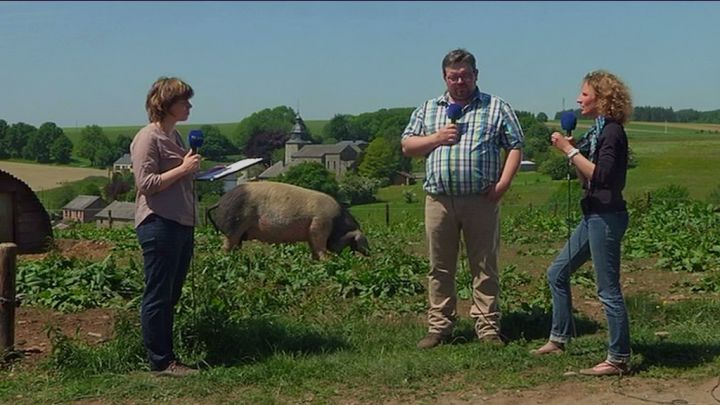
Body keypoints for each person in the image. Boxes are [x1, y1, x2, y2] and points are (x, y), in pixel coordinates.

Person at [401, 48, 524, 349]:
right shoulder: (428, 109)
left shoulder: (495, 107)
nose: (460, 82)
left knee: (484, 265)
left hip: (481, 200)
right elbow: (407, 145)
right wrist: (436, 139)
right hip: (439, 200)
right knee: (439, 266)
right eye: (453, 77)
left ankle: (487, 327)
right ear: (444, 77)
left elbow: (516, 145)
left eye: (465, 76)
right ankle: (439, 327)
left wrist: (503, 184)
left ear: (476, 75)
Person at [531, 70, 633, 376]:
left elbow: (602, 177)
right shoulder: (598, 131)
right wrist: (575, 155)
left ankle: (618, 358)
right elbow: (588, 179)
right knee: (557, 273)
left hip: (606, 217)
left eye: (585, 94)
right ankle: (559, 338)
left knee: (607, 289)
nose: (579, 99)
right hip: (593, 214)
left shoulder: (612, 132)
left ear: (602, 98)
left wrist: (569, 149)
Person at [131, 77, 201, 376]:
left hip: (181, 222)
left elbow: (175, 177)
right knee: (158, 295)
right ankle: (161, 362)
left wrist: (192, 170)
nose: (189, 106)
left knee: (170, 295)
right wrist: (183, 169)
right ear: (167, 104)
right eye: (184, 101)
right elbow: (146, 184)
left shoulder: (177, 137)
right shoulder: (148, 138)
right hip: (159, 223)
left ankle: (167, 357)